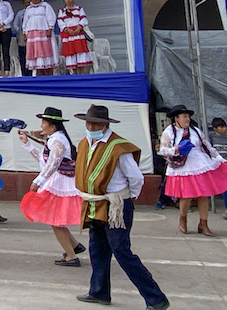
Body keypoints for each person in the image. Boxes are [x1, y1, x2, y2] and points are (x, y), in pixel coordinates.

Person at [74, 104, 169, 310]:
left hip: (116, 204)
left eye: (96, 123)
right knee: (97, 248)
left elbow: (136, 178)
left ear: (106, 126)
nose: (91, 126)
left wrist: (126, 198)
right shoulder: (84, 143)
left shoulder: (119, 147)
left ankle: (156, 299)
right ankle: (99, 291)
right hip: (95, 203)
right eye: (89, 122)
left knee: (122, 251)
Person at [18, 108, 84, 267]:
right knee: (56, 220)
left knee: (56, 221)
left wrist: (39, 180)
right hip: (57, 181)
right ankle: (74, 245)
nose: (41, 126)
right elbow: (44, 161)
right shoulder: (54, 139)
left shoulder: (57, 140)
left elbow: (53, 163)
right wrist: (27, 144)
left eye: (43, 123)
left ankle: (71, 255)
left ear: (52, 126)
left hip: (60, 184)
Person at [159, 105, 227, 236]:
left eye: (188, 116)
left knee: (204, 195)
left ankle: (203, 223)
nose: (187, 119)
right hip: (183, 167)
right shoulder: (169, 132)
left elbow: (207, 146)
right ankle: (183, 219)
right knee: (187, 195)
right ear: (176, 118)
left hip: (199, 165)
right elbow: (163, 150)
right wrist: (176, 149)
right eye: (184, 116)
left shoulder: (195, 131)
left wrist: (218, 158)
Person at [23, 0, 58, 76]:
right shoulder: (29, 8)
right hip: (32, 33)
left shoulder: (45, 6)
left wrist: (50, 28)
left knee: (45, 50)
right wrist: (24, 32)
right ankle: (39, 72)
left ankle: (47, 72)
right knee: (35, 51)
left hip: (44, 32)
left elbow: (51, 17)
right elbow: (25, 21)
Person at [57, 0, 93, 74]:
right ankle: (74, 72)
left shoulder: (79, 9)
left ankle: (82, 72)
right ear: (64, 1)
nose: (68, 0)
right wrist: (67, 29)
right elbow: (60, 22)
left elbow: (83, 19)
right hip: (69, 34)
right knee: (71, 52)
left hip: (78, 33)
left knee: (80, 51)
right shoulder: (62, 11)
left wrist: (79, 27)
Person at [13, 0, 31, 76]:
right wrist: (20, 31)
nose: (27, 4)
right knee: (22, 54)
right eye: (25, 3)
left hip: (32, 36)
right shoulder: (20, 13)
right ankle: (23, 72)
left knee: (30, 54)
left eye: (28, 2)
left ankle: (31, 72)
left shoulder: (34, 12)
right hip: (22, 37)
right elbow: (15, 24)